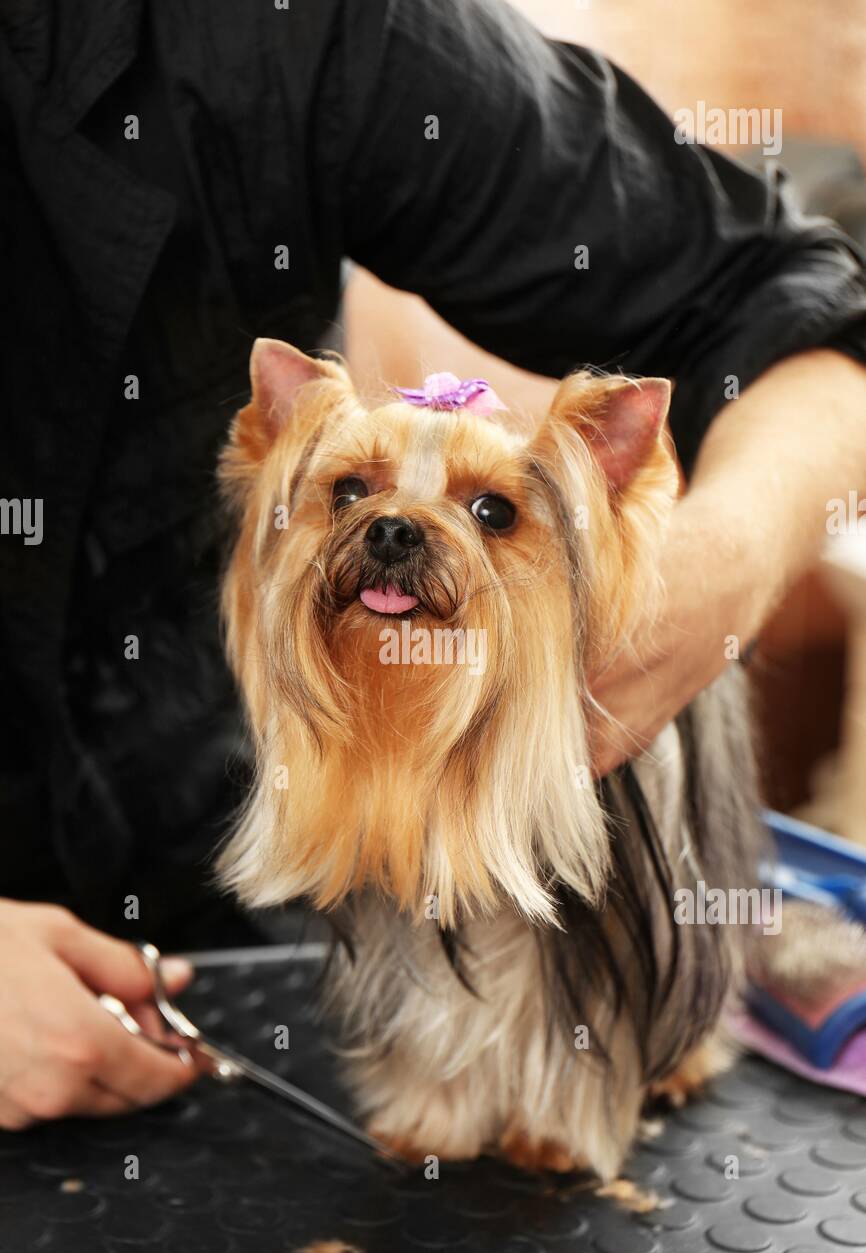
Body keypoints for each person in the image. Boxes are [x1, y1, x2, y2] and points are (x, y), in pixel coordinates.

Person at [1, 0, 865, 1130]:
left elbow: (790, 296)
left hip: (248, 890)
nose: (395, 528)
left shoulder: (291, 30)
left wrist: (701, 580)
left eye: (487, 511)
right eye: (352, 493)